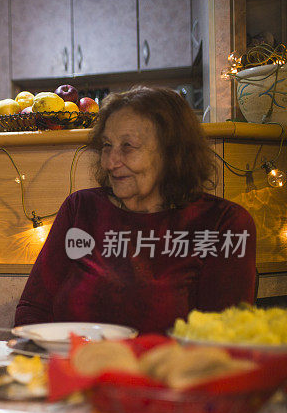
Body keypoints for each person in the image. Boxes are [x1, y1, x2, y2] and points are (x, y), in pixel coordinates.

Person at [15, 86, 256, 333]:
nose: (109, 162)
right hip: (67, 367)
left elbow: (223, 341)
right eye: (107, 145)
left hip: (164, 371)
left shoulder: (223, 224)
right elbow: (33, 309)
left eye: (128, 146)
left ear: (171, 152)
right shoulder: (81, 209)